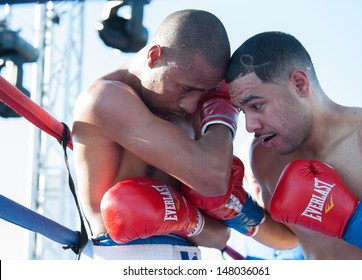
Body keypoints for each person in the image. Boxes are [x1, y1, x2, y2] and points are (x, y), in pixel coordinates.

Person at [72, 9, 267, 260]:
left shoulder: (186, 105)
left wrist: (189, 221)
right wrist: (223, 109)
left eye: (204, 91)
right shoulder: (104, 99)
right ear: (154, 56)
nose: (190, 105)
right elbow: (212, 178)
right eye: (185, 88)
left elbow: (220, 235)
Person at [225, 31, 362, 260]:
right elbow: (289, 237)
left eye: (257, 106)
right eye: (243, 112)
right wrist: (236, 208)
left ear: (299, 84)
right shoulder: (265, 157)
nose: (250, 126)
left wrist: (358, 225)